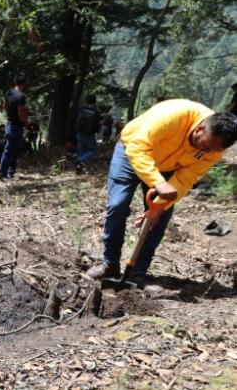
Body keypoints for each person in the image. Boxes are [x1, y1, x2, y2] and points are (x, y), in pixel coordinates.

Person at [85, 100, 237, 292]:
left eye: (212, 150)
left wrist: (158, 207)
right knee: (118, 204)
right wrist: (157, 182)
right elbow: (138, 148)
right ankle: (109, 264)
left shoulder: (214, 150)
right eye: (205, 146)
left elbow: (185, 178)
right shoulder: (172, 116)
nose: (205, 152)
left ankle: (137, 273)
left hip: (169, 168)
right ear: (200, 128)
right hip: (131, 153)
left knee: (160, 217)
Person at [0, 72, 30, 181]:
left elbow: (4, 106)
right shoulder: (21, 96)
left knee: (14, 150)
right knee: (10, 150)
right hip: (16, 127)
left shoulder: (9, 92)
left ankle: (10, 173)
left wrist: (10, 115)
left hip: (9, 124)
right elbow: (21, 114)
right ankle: (3, 174)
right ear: (24, 82)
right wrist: (27, 123)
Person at [74, 94, 101, 172]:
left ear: (86, 100)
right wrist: (95, 131)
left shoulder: (80, 108)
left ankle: (79, 169)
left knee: (81, 150)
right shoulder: (96, 112)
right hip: (89, 134)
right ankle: (80, 160)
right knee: (93, 151)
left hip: (79, 132)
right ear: (95, 101)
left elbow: (74, 119)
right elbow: (97, 125)